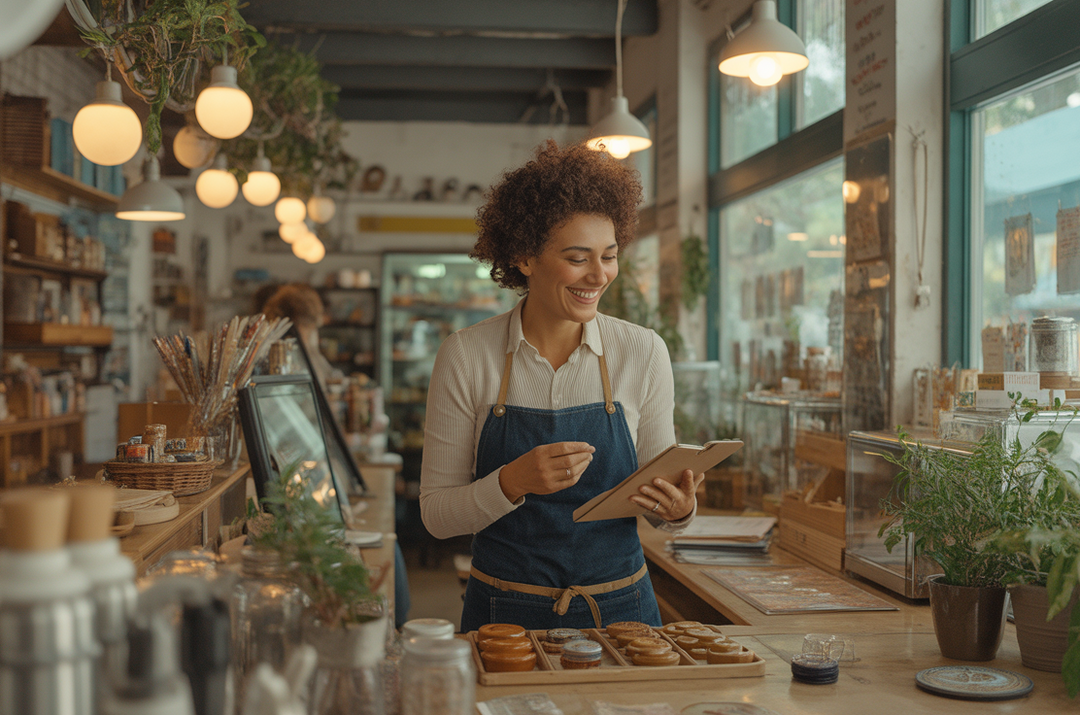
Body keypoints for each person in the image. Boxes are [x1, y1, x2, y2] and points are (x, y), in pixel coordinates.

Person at [420, 141, 703, 632]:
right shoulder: (467, 355)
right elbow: (437, 515)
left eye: (609, 256)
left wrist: (679, 510)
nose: (599, 275)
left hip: (621, 613)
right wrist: (512, 483)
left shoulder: (643, 351)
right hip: (504, 616)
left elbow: (660, 495)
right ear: (525, 257)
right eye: (578, 258)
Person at [261, 282, 412, 627]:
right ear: (304, 323)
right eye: (314, 327)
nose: (316, 334)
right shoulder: (288, 352)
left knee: (387, 551)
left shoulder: (293, 353)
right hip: (303, 482)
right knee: (387, 559)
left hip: (313, 478)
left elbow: (330, 389)